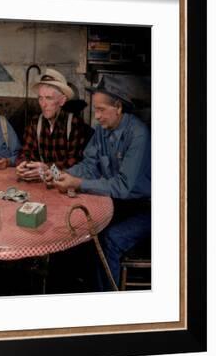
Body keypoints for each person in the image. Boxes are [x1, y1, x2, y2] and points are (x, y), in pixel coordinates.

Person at [54, 74, 151, 291]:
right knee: (83, 229)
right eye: (95, 109)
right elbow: (90, 164)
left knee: (111, 239)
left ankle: (109, 302)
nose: (96, 116)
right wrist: (63, 174)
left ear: (118, 107)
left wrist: (77, 183)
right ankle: (91, 290)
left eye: (101, 110)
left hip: (147, 208)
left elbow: (122, 186)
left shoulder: (138, 135)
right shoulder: (102, 130)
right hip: (119, 203)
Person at [15, 68, 91, 181]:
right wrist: (22, 165)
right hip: (41, 181)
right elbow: (25, 152)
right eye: (40, 98)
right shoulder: (35, 122)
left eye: (49, 98)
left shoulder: (74, 123)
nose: (43, 104)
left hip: (65, 182)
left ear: (62, 101)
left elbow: (75, 163)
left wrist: (48, 168)